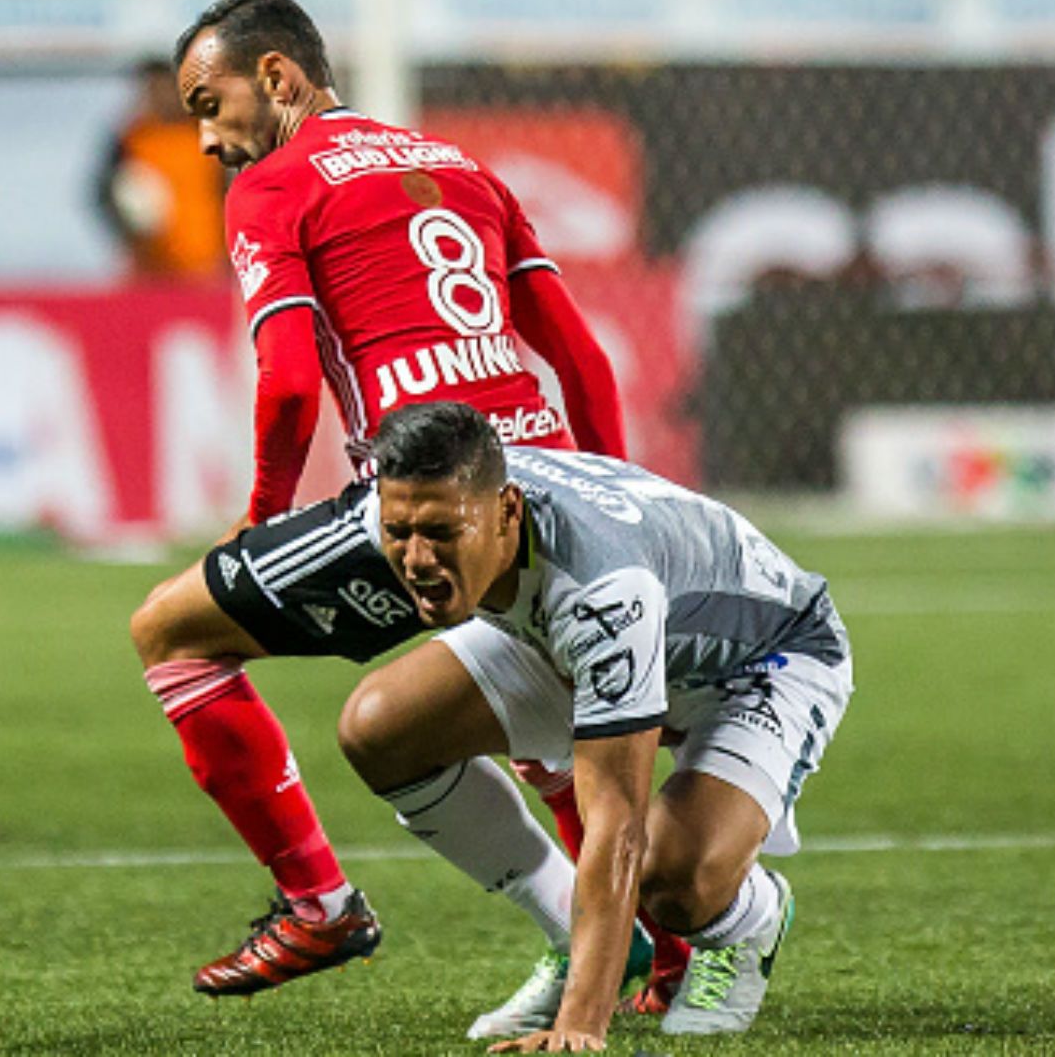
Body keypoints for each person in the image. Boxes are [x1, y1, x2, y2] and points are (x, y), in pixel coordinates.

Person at [127, 0, 678, 1010]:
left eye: (208, 104)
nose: (205, 140)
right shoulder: (463, 167)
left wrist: (258, 516)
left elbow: (290, 378)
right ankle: (646, 945)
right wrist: (616, 491)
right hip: (544, 490)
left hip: (428, 495)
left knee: (174, 634)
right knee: (526, 690)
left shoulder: (276, 187)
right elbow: (579, 355)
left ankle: (316, 906)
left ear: (278, 78)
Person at [335, 401, 854, 1050]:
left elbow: (615, 818)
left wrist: (579, 1025)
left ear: (508, 512)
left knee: (671, 881)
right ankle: (565, 931)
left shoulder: (602, 590)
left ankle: (749, 920)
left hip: (762, 657)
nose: (414, 558)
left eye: (440, 533)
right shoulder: (424, 495)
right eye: (399, 531)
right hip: (600, 639)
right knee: (382, 727)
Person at [92, 57, 229, 281]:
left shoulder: (209, 136)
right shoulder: (131, 138)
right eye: (151, 90)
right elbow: (104, 195)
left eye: (165, 88)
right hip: (149, 270)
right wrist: (130, 227)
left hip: (205, 268)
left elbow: (230, 192)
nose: (159, 97)